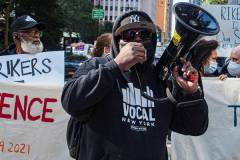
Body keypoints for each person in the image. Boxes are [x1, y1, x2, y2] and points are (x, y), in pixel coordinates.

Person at [61, 11, 208, 160]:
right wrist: (116, 65)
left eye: (144, 35)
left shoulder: (163, 78)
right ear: (118, 40)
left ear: (152, 40)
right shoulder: (96, 66)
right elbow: (70, 103)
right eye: (129, 35)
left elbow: (195, 127)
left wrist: (192, 93)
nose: (137, 40)